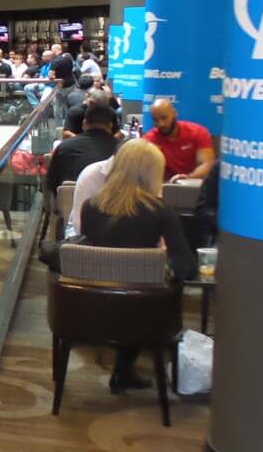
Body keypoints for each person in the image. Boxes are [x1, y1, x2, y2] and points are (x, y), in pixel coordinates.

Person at [74, 140, 197, 393]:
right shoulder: (160, 211)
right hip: (142, 312)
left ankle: (123, 370)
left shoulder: (90, 207)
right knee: (154, 291)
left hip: (90, 306)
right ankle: (124, 368)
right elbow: (185, 266)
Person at [46, 101, 120, 195]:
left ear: (84, 123)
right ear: (110, 125)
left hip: (69, 202)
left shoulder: (64, 147)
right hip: (111, 202)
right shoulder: (122, 150)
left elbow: (51, 184)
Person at [144, 98, 217, 182]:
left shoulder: (198, 132)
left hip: (195, 185)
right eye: (156, 120)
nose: (161, 124)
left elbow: (207, 165)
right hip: (165, 186)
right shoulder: (149, 141)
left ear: (174, 113)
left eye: (164, 118)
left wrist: (187, 179)